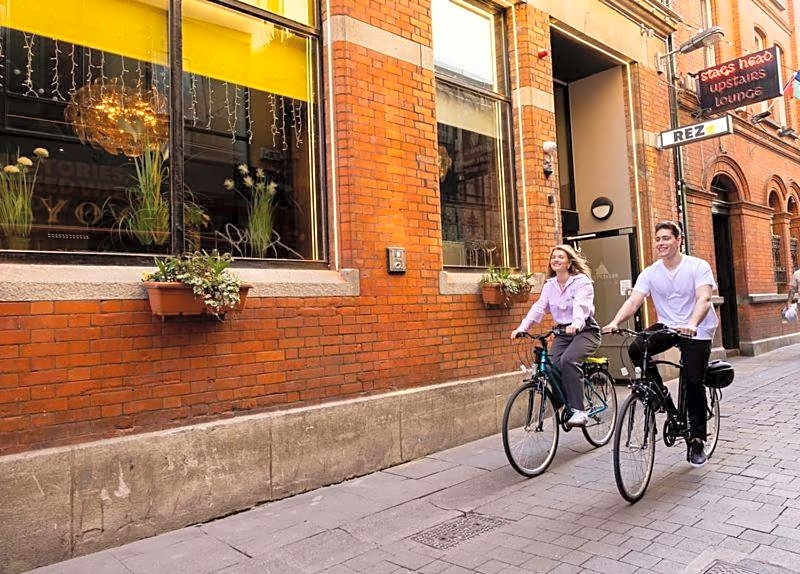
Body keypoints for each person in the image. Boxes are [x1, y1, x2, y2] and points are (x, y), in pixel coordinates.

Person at [602, 221, 717, 467]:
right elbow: (635, 300)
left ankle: (697, 440)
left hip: (697, 329)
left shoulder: (698, 266)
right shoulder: (651, 272)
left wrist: (693, 323)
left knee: (694, 381)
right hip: (668, 325)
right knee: (636, 348)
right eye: (657, 239)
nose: (661, 243)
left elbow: (704, 298)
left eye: (666, 238)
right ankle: (659, 395)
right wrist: (614, 321)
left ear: (679, 240)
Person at [511, 245, 601, 427]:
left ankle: (579, 411)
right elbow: (539, 307)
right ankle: (563, 401)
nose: (556, 260)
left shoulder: (581, 281)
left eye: (561, 257)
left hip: (585, 331)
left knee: (568, 360)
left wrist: (576, 324)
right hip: (562, 332)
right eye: (553, 257)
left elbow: (581, 306)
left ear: (569, 262)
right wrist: (522, 327)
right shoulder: (550, 285)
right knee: (551, 365)